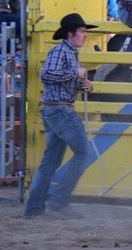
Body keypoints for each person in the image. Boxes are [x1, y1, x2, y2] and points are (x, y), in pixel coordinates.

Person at [23, 13, 96, 219]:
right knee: (83, 153)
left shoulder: (68, 53)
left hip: (54, 110)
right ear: (70, 33)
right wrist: (76, 75)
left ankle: (34, 209)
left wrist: (86, 84)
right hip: (61, 110)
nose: (85, 35)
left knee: (50, 162)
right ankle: (59, 200)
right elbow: (46, 75)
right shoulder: (62, 51)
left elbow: (55, 77)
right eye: (82, 31)